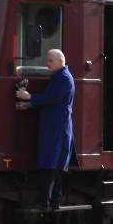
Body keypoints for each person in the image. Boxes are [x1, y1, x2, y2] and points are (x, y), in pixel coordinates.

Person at [16, 48, 74, 210]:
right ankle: (50, 201)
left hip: (57, 128)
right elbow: (51, 101)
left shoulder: (63, 78)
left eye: (50, 61)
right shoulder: (60, 77)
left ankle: (47, 202)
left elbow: (51, 98)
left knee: (51, 164)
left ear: (59, 61)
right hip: (54, 126)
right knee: (52, 163)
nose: (47, 64)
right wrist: (28, 104)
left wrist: (29, 97)